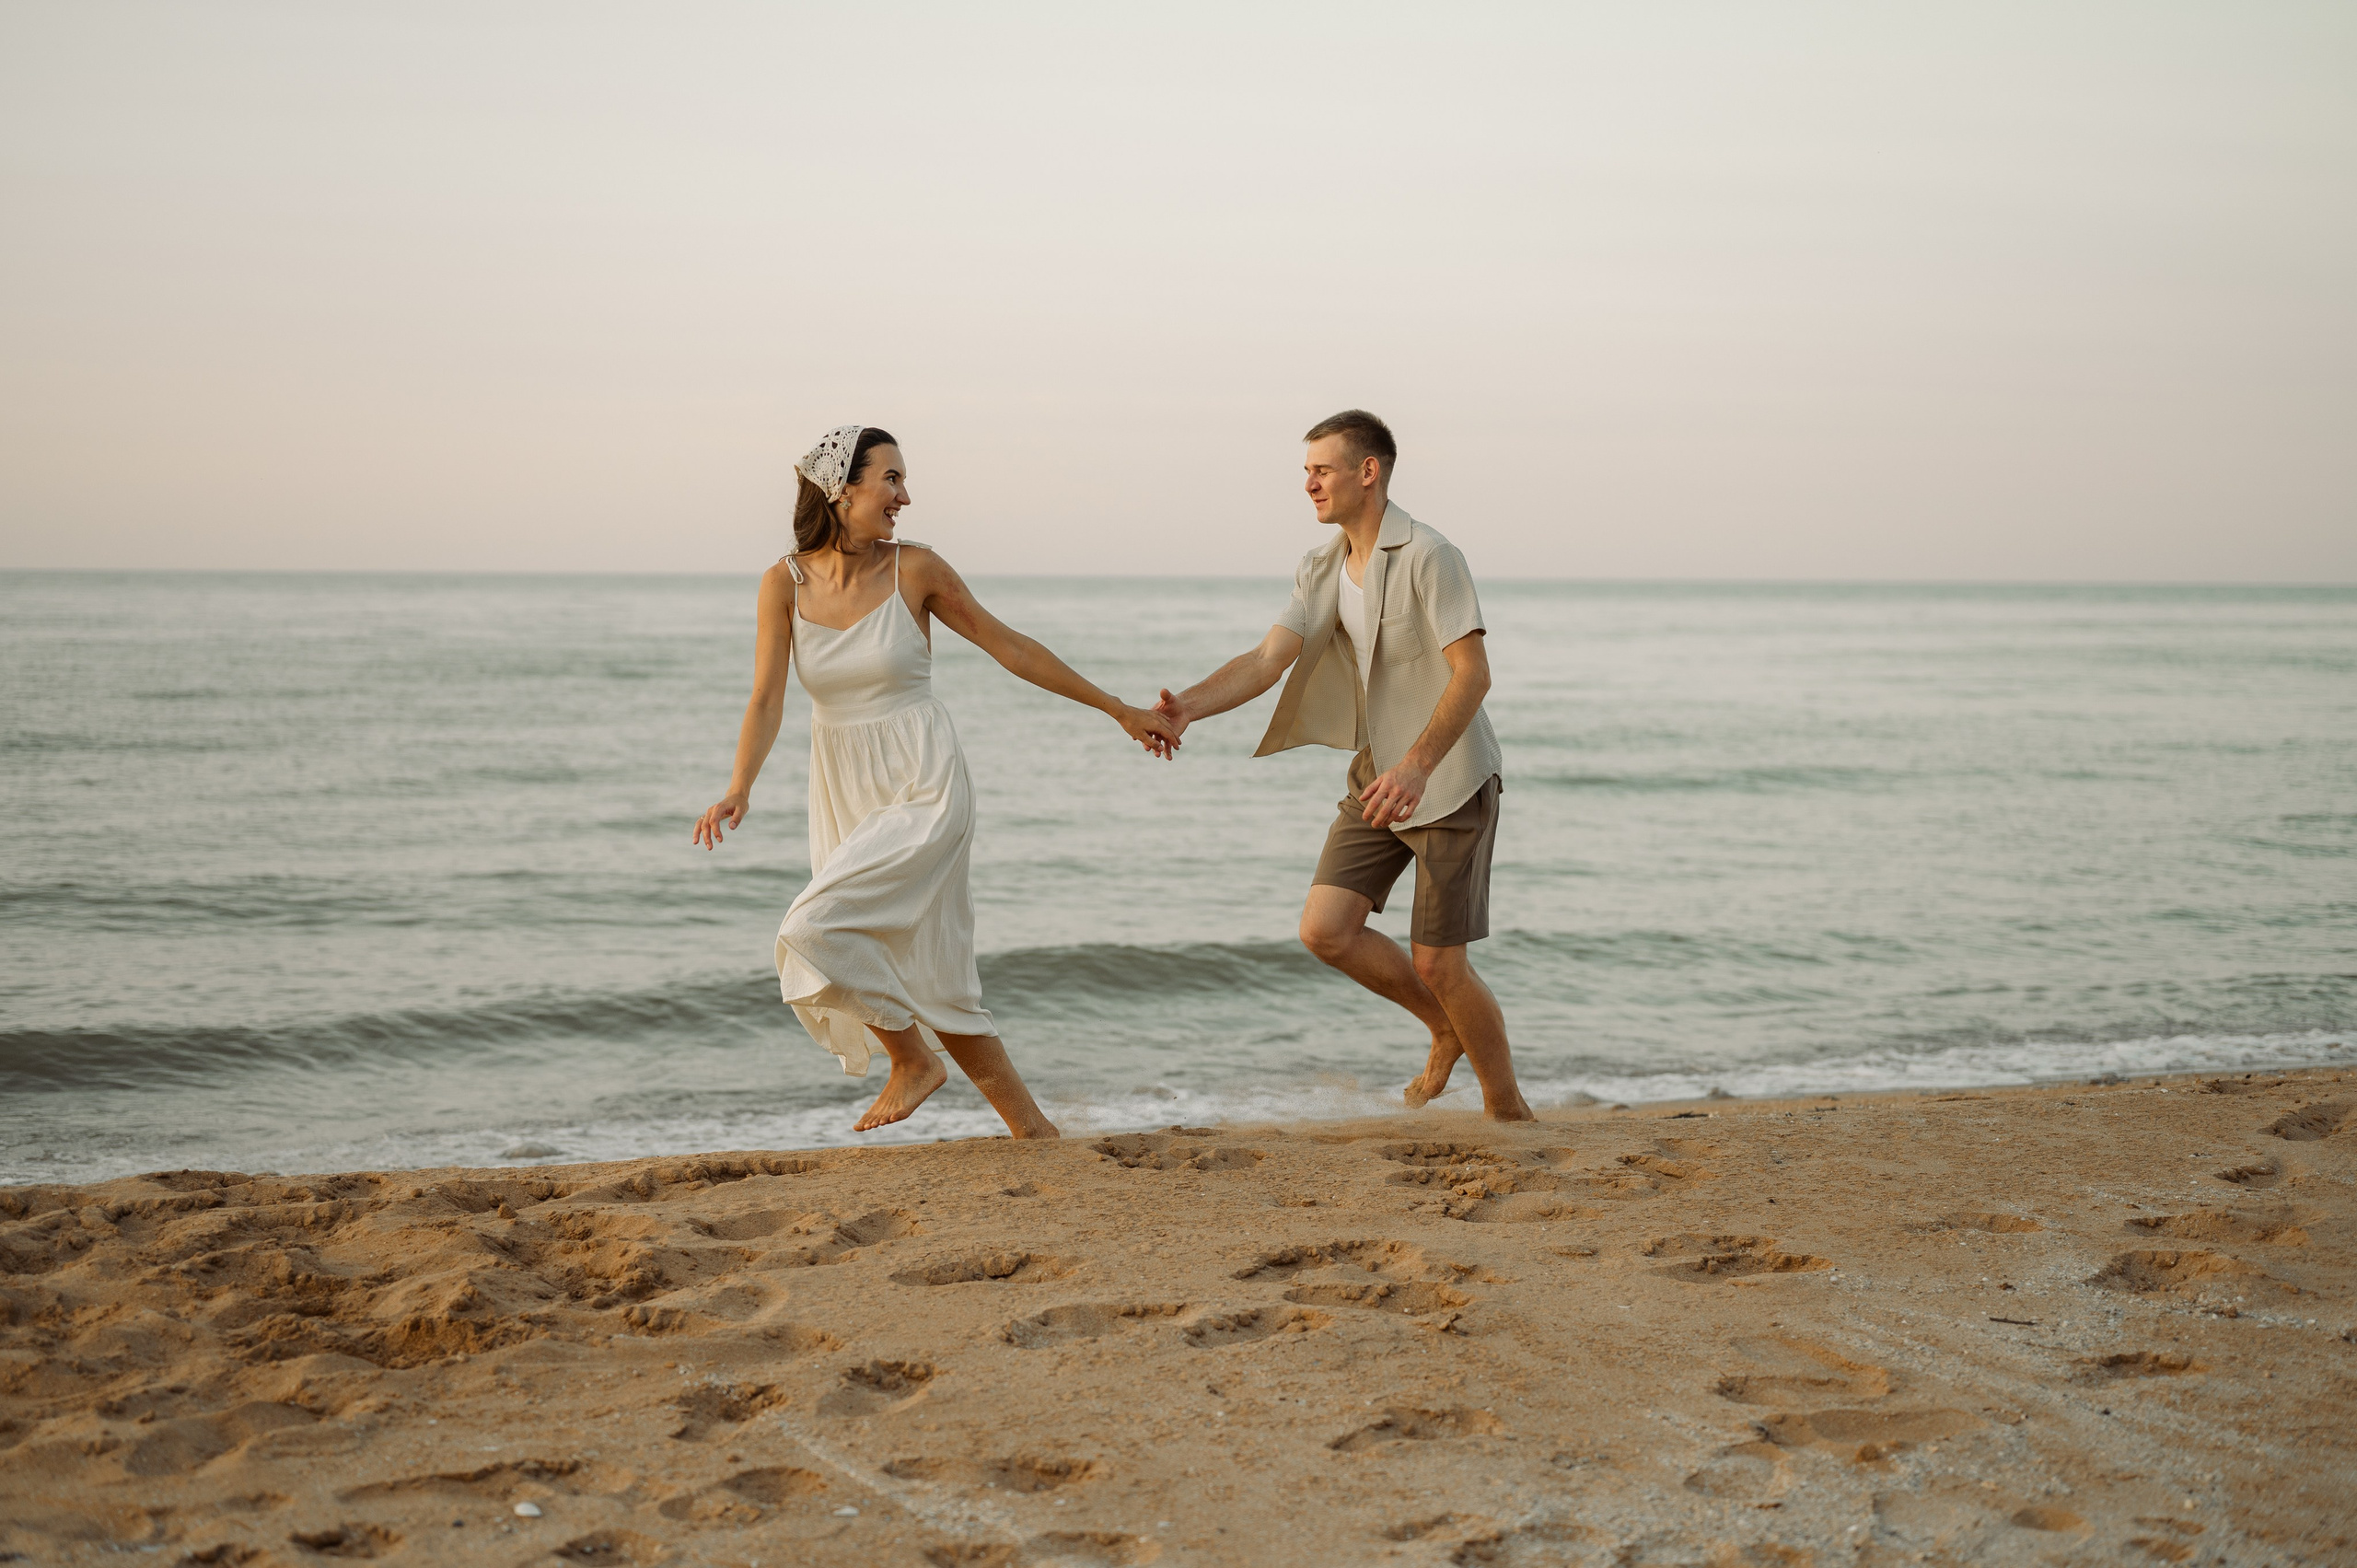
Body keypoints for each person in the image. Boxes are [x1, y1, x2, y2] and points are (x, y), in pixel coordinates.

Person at [693, 425, 1180, 1138]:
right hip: (844, 786)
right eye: (890, 479)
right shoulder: (783, 583)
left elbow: (1008, 645)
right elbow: (766, 697)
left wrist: (1117, 709)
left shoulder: (915, 569)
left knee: (810, 926)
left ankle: (912, 1060)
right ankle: (1034, 1133)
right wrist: (740, 784)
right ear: (843, 488)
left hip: (924, 779)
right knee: (934, 967)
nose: (905, 496)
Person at [1154, 410, 1532, 1120]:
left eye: (1320, 470)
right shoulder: (1320, 565)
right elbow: (1269, 659)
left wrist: (1418, 766)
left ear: (1369, 472)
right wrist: (1188, 709)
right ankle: (1444, 1027)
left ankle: (1507, 1111)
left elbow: (1473, 674)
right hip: (1376, 774)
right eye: (1305, 471)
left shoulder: (1430, 554)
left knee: (1440, 963)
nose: (1308, 484)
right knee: (1325, 928)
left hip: (1445, 779)